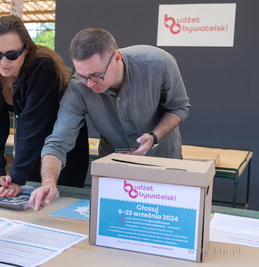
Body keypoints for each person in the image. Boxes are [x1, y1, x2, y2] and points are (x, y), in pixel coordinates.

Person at [29, 28, 191, 211]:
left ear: (116, 58)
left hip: (163, 161)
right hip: (114, 167)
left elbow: (178, 107)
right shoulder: (77, 88)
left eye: (96, 75)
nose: (89, 84)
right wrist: (48, 183)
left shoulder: (159, 63)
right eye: (83, 76)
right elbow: (57, 142)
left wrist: (155, 136)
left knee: (163, 221)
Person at [0, 15, 89, 198]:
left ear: (26, 49)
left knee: (55, 199)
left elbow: (34, 126)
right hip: (29, 146)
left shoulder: (43, 67)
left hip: (61, 145)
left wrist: (16, 178)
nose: (3, 63)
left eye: (12, 55)